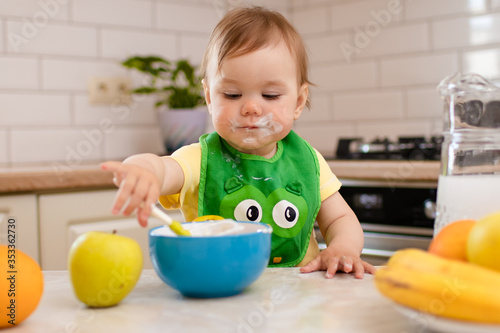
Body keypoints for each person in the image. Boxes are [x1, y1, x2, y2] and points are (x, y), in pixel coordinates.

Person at [101, 6, 376, 279]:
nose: (251, 108)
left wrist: (342, 248)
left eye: (270, 95)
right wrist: (143, 170)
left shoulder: (308, 160)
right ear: (210, 98)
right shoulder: (201, 158)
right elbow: (164, 168)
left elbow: (340, 219)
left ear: (299, 102)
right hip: (220, 291)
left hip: (299, 297)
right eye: (232, 95)